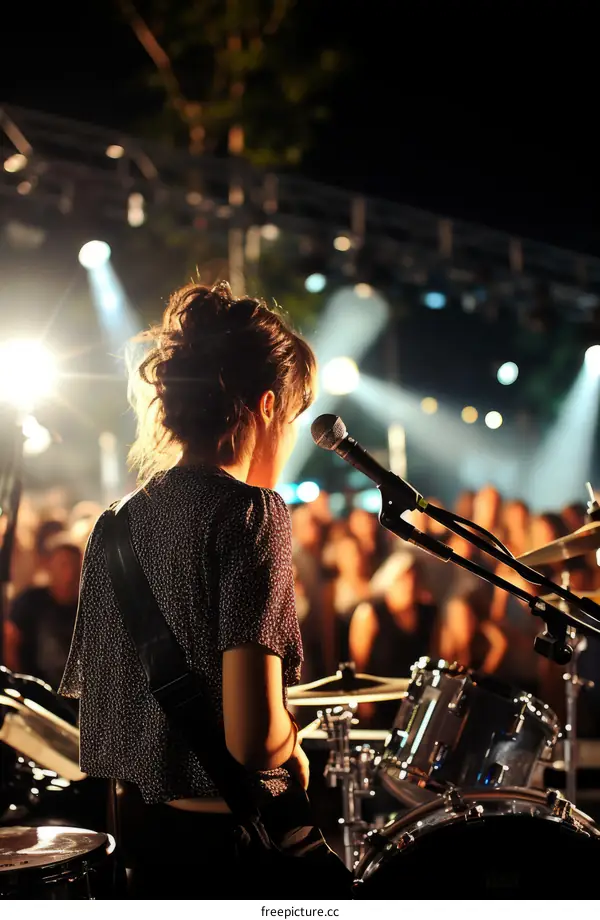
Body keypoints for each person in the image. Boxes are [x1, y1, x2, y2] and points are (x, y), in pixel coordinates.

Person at [59, 281, 320, 898]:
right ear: (265, 407)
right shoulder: (252, 514)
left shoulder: (115, 523)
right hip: (227, 856)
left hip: (136, 850)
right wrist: (293, 744)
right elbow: (252, 740)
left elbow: (107, 719)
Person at [5, 537, 82, 690]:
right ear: (50, 567)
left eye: (75, 566)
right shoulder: (30, 602)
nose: (70, 573)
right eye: (63, 565)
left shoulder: (88, 607)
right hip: (36, 697)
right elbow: (10, 641)